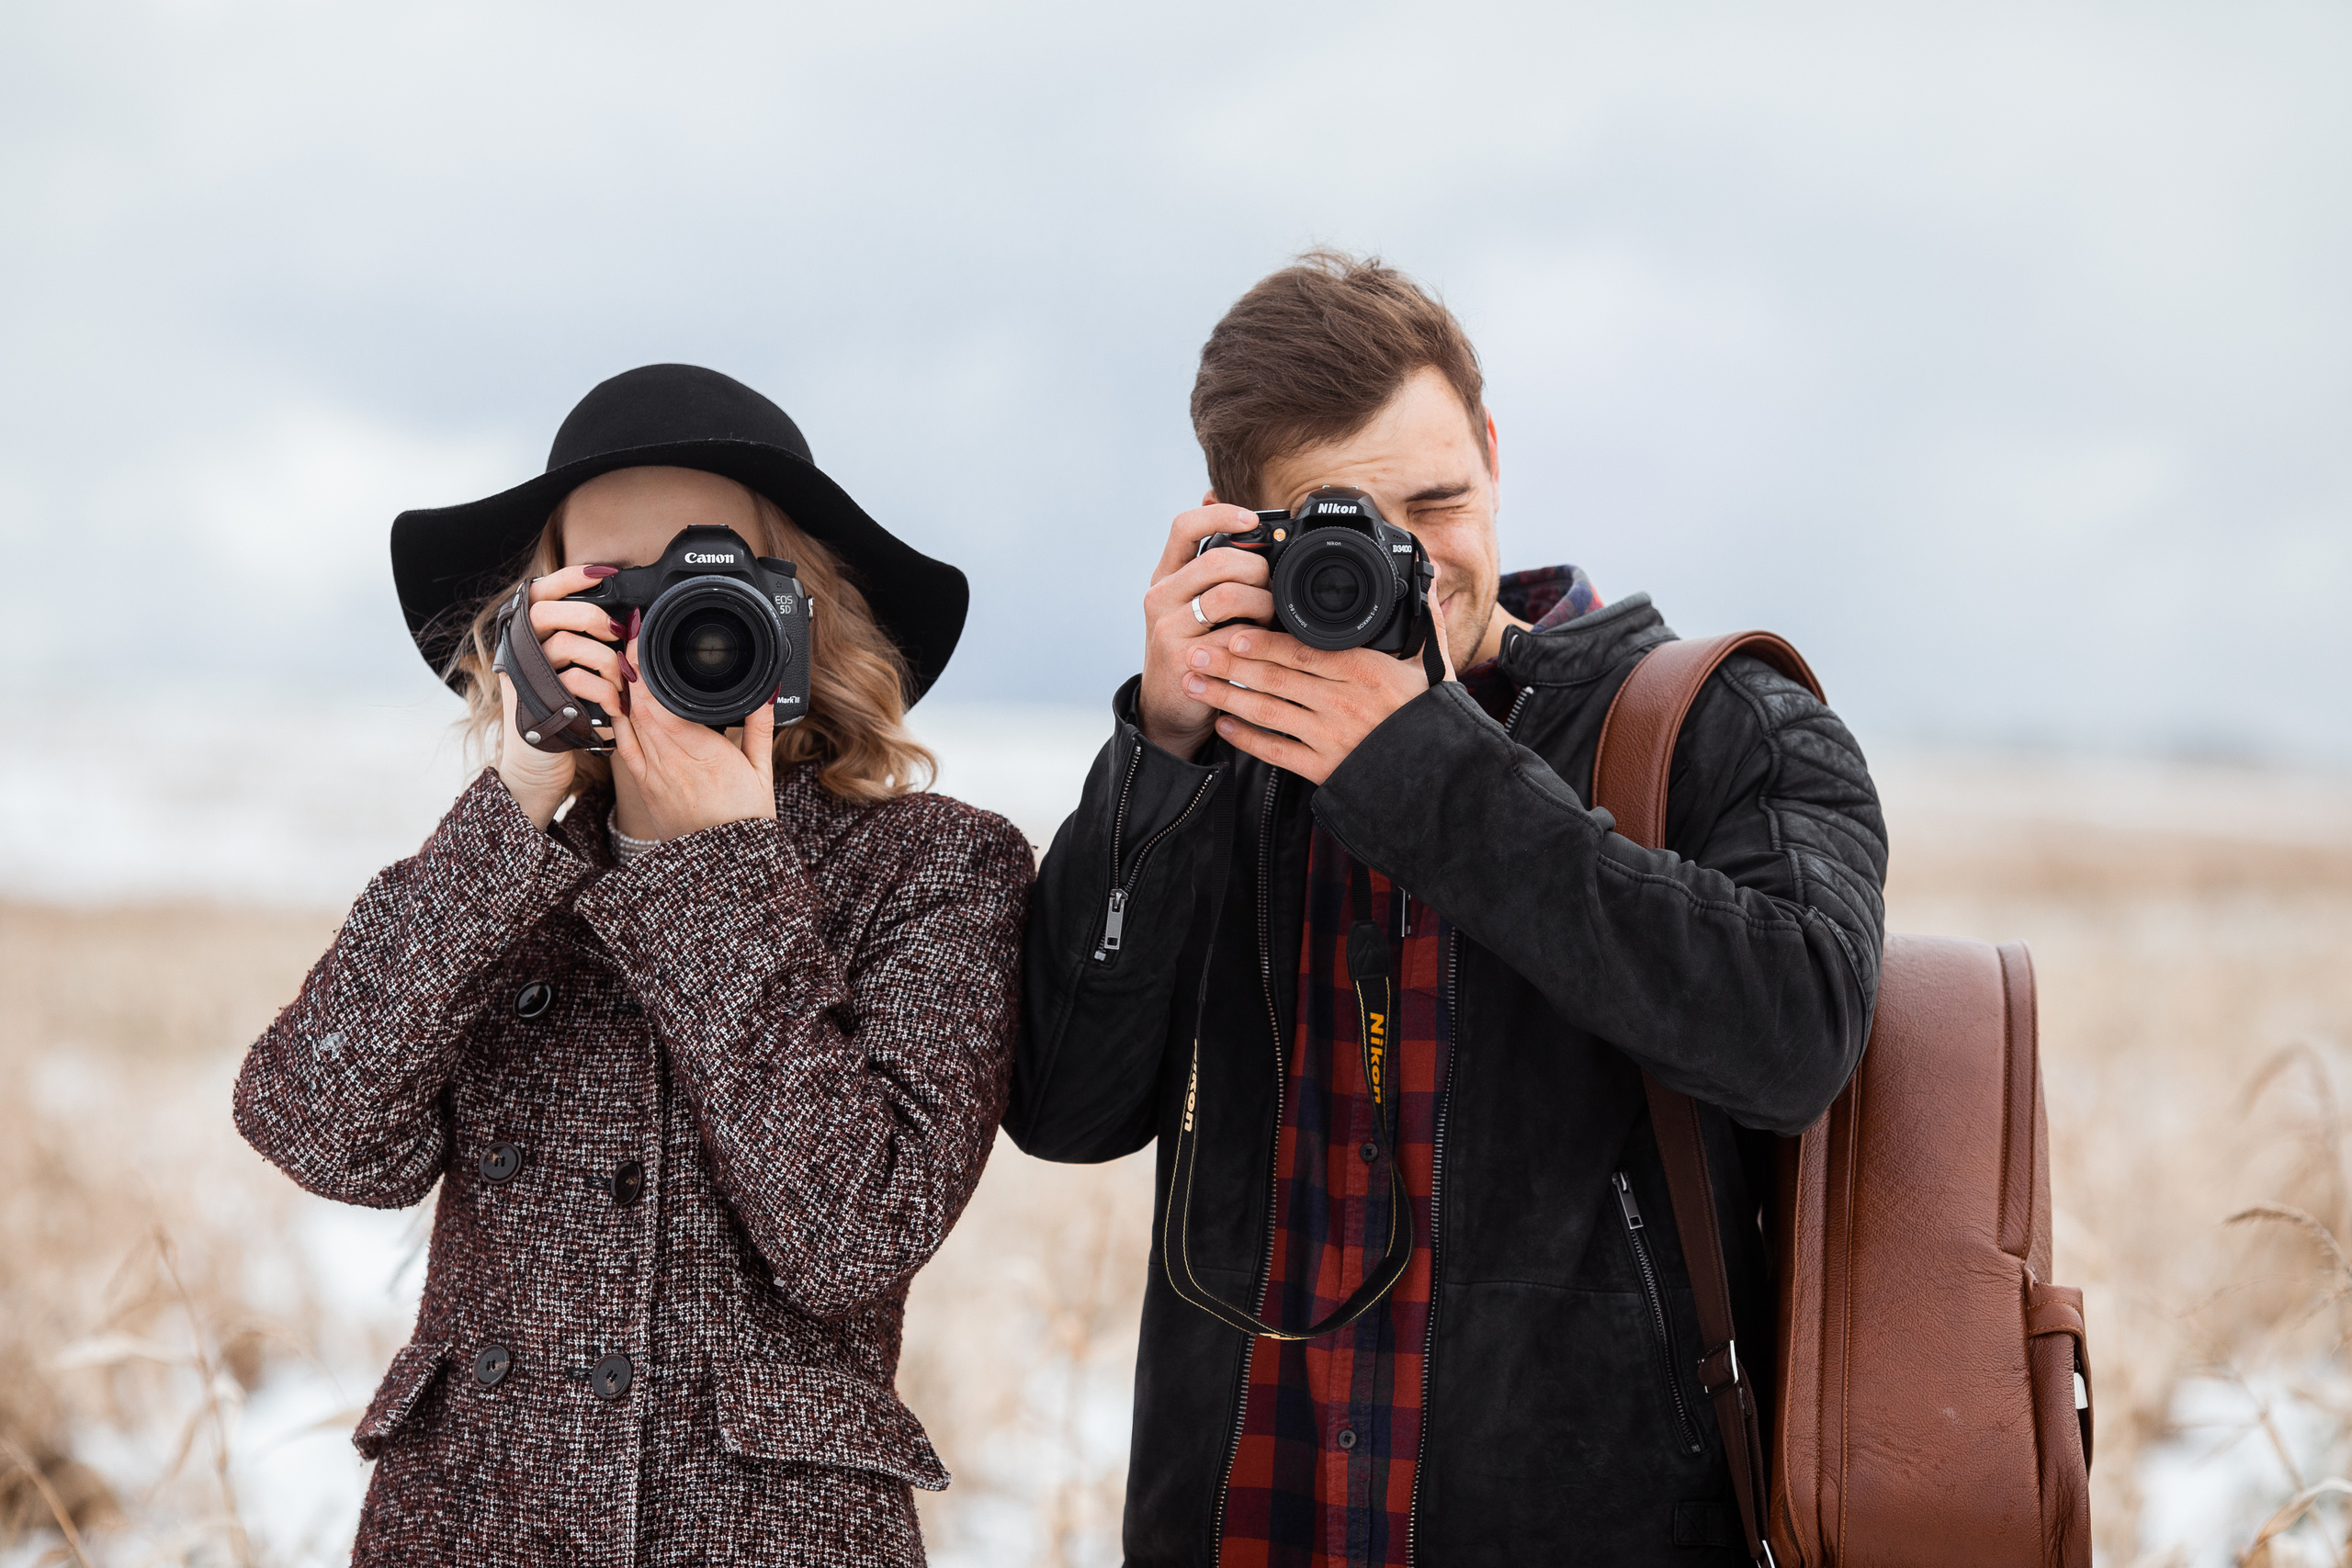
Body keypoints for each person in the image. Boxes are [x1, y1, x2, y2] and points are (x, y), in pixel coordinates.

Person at [1008, 254, 1887, 1566]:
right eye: (1346, 523)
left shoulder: (1718, 731)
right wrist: (1164, 757)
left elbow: (1796, 1036)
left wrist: (1425, 769)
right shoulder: (1220, 773)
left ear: (1492, 447)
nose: (1412, 565)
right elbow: (1067, 1109)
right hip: (1254, 1523)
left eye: (1440, 501)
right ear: (1238, 526)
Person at [232, 364, 1032, 1565]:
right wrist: (513, 799)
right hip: (472, 1525)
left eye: (703, 580)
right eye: (611, 590)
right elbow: (318, 1128)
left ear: (799, 603)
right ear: (530, 619)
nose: (663, 627)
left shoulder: (931, 867)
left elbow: (852, 1238)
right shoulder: (510, 871)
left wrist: (712, 863)